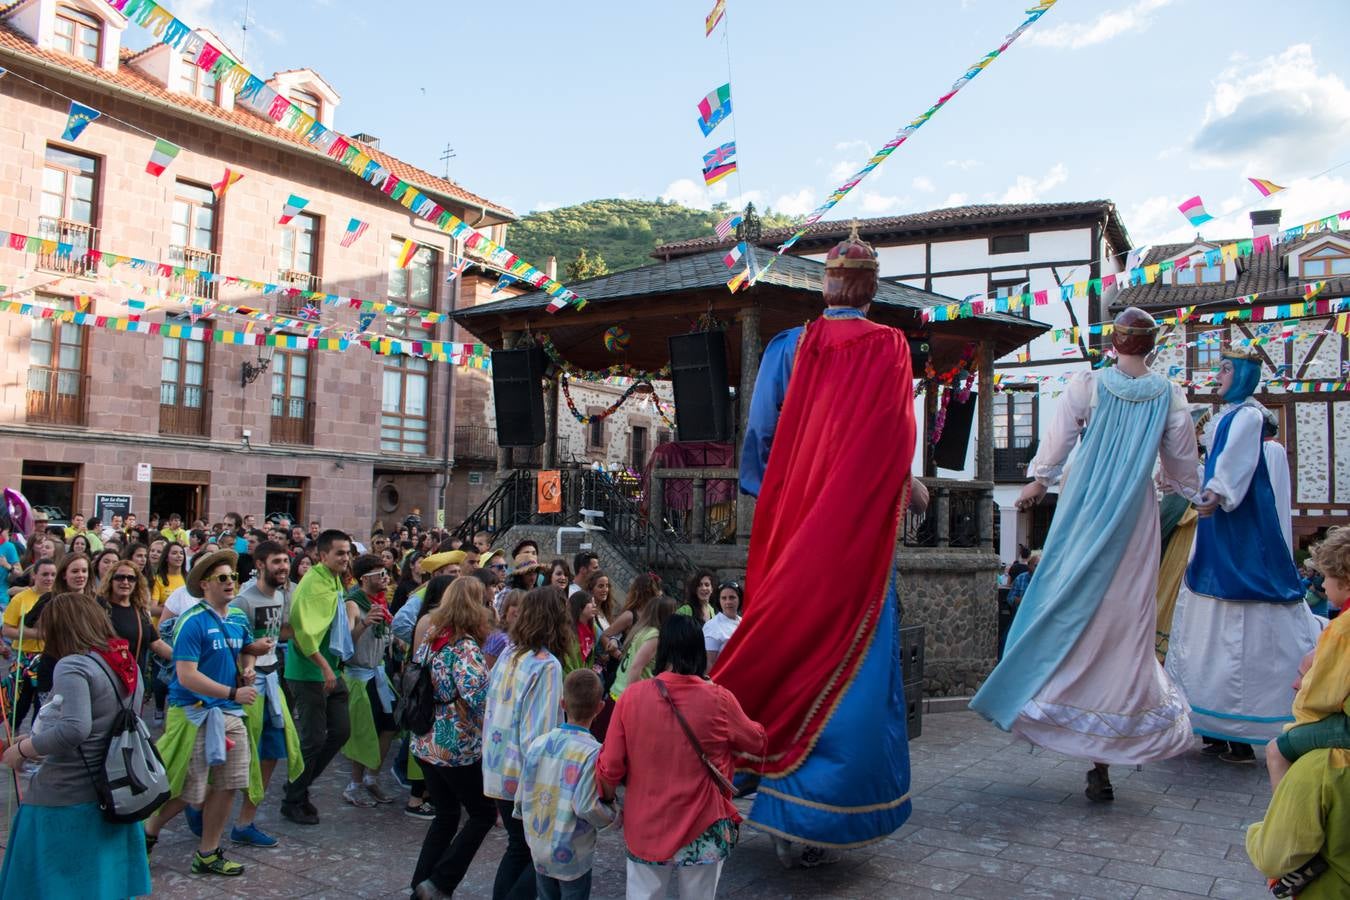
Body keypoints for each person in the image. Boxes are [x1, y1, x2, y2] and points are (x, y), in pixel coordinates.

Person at [712, 225, 915, 861]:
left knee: (780, 634)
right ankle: (813, 812)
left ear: (823, 287)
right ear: (873, 292)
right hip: (853, 529)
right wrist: (902, 485)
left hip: (791, 518)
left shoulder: (786, 347)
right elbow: (895, 435)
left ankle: (739, 758)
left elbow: (761, 434)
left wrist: (780, 487)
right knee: (852, 653)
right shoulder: (889, 347)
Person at [972, 308, 1201, 802]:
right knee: (1125, 622)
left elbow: (1057, 441)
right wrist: (1187, 489)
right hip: (1134, 515)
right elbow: (1183, 467)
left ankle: (1033, 694)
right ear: (1152, 346)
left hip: (1084, 507)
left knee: (1063, 600)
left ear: (1114, 343)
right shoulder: (1170, 394)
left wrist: (1039, 479)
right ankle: (1105, 752)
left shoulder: (1087, 384)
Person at [1165, 346, 1324, 763]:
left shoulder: (1249, 416)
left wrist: (1216, 491)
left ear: (1244, 376)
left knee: (1246, 612)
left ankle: (1243, 728)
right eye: (1218, 368)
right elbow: (1212, 463)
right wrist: (1194, 485)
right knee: (1209, 606)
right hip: (1220, 525)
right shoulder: (1224, 417)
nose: (1217, 375)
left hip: (1241, 524)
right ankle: (1210, 721)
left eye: (1225, 369)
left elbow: (1233, 463)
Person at [0, 593, 153, 900]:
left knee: (57, 886)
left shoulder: (73, 665)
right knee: (105, 884)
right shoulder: (125, 660)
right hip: (115, 790)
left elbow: (75, 729)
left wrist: (23, 749)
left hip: (66, 795)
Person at [599, 615, 765, 898]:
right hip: (704, 822)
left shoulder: (631, 697)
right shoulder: (719, 699)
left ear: (662, 651)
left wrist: (608, 798)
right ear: (699, 652)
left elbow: (611, 765)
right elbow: (756, 740)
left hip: (646, 824)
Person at [144, 549, 263, 876]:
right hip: (195, 710)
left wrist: (249, 667)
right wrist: (233, 691)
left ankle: (208, 853)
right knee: (188, 789)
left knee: (229, 783)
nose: (230, 583)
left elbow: (246, 649)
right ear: (205, 585)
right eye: (222, 578)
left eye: (233, 578)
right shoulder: (191, 621)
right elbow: (187, 675)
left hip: (230, 712)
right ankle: (148, 833)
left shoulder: (238, 618)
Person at [409, 577, 496, 900]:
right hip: (455, 743)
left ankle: (421, 885)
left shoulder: (433, 637)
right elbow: (479, 697)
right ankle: (440, 882)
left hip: (425, 738)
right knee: (483, 814)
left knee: (446, 815)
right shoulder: (465, 646)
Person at [483, 586, 569, 900]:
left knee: (519, 849)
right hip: (525, 774)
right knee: (543, 856)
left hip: (497, 768)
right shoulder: (546, 665)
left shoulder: (510, 652)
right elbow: (540, 734)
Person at [516, 668, 617, 900]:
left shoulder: (538, 744)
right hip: (573, 852)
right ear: (600, 708)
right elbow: (586, 806)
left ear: (562, 703)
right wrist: (612, 816)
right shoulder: (593, 753)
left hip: (539, 844)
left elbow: (523, 795)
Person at [1263, 527, 1350, 792]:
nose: (1322, 584)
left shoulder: (1343, 628)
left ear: (1345, 583)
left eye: (1326, 577)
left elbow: (1327, 690)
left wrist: (1305, 691)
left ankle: (1284, 819)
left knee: (1276, 749)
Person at [230, 540, 303, 846]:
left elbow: (280, 632)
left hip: (272, 681)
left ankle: (245, 822)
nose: (284, 567)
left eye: (286, 561)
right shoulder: (243, 602)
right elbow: (232, 645)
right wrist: (246, 666)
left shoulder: (284, 594)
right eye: (277, 562)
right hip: (248, 686)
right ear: (260, 564)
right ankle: (198, 805)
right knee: (234, 755)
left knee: (272, 752)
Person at [281, 529, 354, 824]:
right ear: (321, 555)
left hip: (330, 670)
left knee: (341, 731)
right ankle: (293, 798)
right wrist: (325, 667)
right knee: (312, 739)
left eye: (348, 553)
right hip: (309, 672)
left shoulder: (333, 579)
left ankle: (299, 786)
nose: (345, 558)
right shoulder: (313, 584)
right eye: (339, 553)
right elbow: (302, 634)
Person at [341, 554, 398, 808]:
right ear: (365, 579)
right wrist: (364, 623)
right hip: (359, 676)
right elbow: (344, 643)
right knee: (364, 731)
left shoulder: (381, 602)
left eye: (385, 573)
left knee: (389, 726)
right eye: (379, 574)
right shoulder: (353, 603)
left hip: (379, 674)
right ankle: (353, 785)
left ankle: (371, 777)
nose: (385, 578)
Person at [2, 557, 55, 728]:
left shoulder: (60, 598)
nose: (49, 578)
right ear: (34, 575)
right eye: (45, 574)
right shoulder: (21, 598)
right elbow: (7, 630)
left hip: (49, 658)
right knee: (18, 707)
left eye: (53, 574)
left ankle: (34, 745)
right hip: (24, 660)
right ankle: (10, 745)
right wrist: (36, 634)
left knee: (43, 708)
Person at [96, 558, 173, 673]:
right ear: (110, 581)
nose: (125, 582)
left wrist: (184, 659)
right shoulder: (99, 607)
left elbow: (156, 644)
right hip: (106, 677)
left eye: (131, 578)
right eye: (120, 577)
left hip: (134, 680)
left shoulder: (139, 609)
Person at [610, 594, 677, 703]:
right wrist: (633, 700)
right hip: (626, 697)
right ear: (666, 615)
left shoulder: (644, 629)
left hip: (619, 691)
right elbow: (636, 667)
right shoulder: (655, 636)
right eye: (674, 612)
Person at [703, 581, 742, 671]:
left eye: (732, 597)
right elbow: (709, 662)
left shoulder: (743, 622)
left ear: (739, 599)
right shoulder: (712, 626)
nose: (728, 602)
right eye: (724, 598)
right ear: (719, 601)